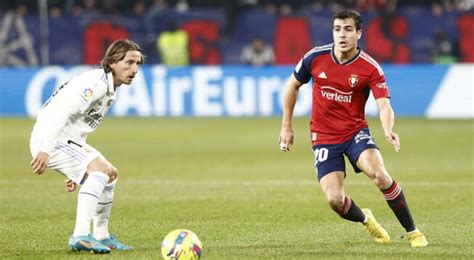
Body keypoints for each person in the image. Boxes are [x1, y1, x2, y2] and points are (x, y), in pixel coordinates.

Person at [278, 9, 428, 247]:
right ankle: (366, 218)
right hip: (324, 137)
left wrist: (388, 129)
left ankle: (413, 231)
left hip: (355, 132)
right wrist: (287, 126)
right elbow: (292, 85)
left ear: (358, 33)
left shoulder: (369, 67)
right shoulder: (315, 57)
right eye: (337, 29)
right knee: (335, 200)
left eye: (348, 29)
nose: (342, 35)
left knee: (380, 175)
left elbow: (384, 105)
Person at [29, 39, 144, 254]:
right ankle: (80, 235)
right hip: (51, 139)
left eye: (138, 64)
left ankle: (102, 236)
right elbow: (59, 113)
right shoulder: (96, 85)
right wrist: (45, 149)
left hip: (67, 139)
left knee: (110, 174)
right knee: (99, 170)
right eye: (129, 63)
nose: (134, 69)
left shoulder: (110, 88)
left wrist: (77, 168)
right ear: (112, 62)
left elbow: (78, 127)